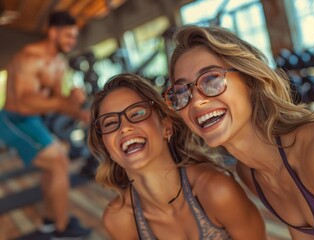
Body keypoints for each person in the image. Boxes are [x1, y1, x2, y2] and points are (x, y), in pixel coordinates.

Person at [164, 25, 314, 240]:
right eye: (181, 92)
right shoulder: (250, 172)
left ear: (250, 80)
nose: (197, 101)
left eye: (211, 79)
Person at [88, 73, 266, 240]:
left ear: (166, 127)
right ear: (106, 145)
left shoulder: (215, 191)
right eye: (110, 123)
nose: (124, 127)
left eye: (137, 113)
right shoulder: (120, 220)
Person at [0, 11, 91, 239]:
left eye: (74, 36)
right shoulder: (29, 58)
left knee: (54, 164)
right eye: (68, 36)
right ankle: (61, 227)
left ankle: (51, 220)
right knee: (58, 161)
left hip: (33, 120)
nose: (72, 41)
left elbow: (56, 100)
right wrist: (66, 102)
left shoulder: (59, 65)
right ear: (53, 32)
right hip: (14, 119)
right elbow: (24, 102)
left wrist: (77, 107)